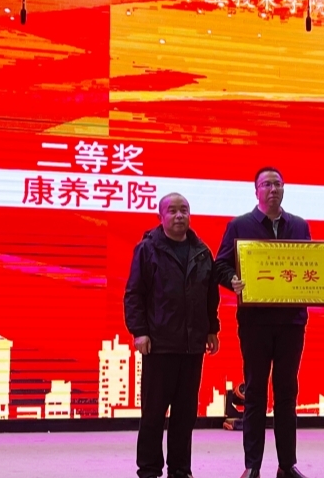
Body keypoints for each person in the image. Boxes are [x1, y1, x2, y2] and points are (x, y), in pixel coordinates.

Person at [215, 167, 324, 478]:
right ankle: (252, 466)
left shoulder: (299, 225)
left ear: (284, 189)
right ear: (256, 191)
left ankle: (287, 465)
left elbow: (311, 268)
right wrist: (233, 280)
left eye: (278, 184)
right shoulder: (239, 225)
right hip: (255, 323)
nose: (273, 189)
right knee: (255, 393)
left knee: (287, 393)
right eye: (266, 184)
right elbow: (219, 265)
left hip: (291, 322)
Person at [124, 193, 222, 478]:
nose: (179, 216)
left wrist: (212, 328)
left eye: (184, 210)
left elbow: (210, 295)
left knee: (185, 414)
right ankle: (149, 470)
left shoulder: (201, 251)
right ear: (161, 217)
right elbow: (134, 294)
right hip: (159, 345)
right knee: (154, 414)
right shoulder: (147, 249)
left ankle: (180, 469)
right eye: (172, 211)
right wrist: (140, 332)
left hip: (192, 347)